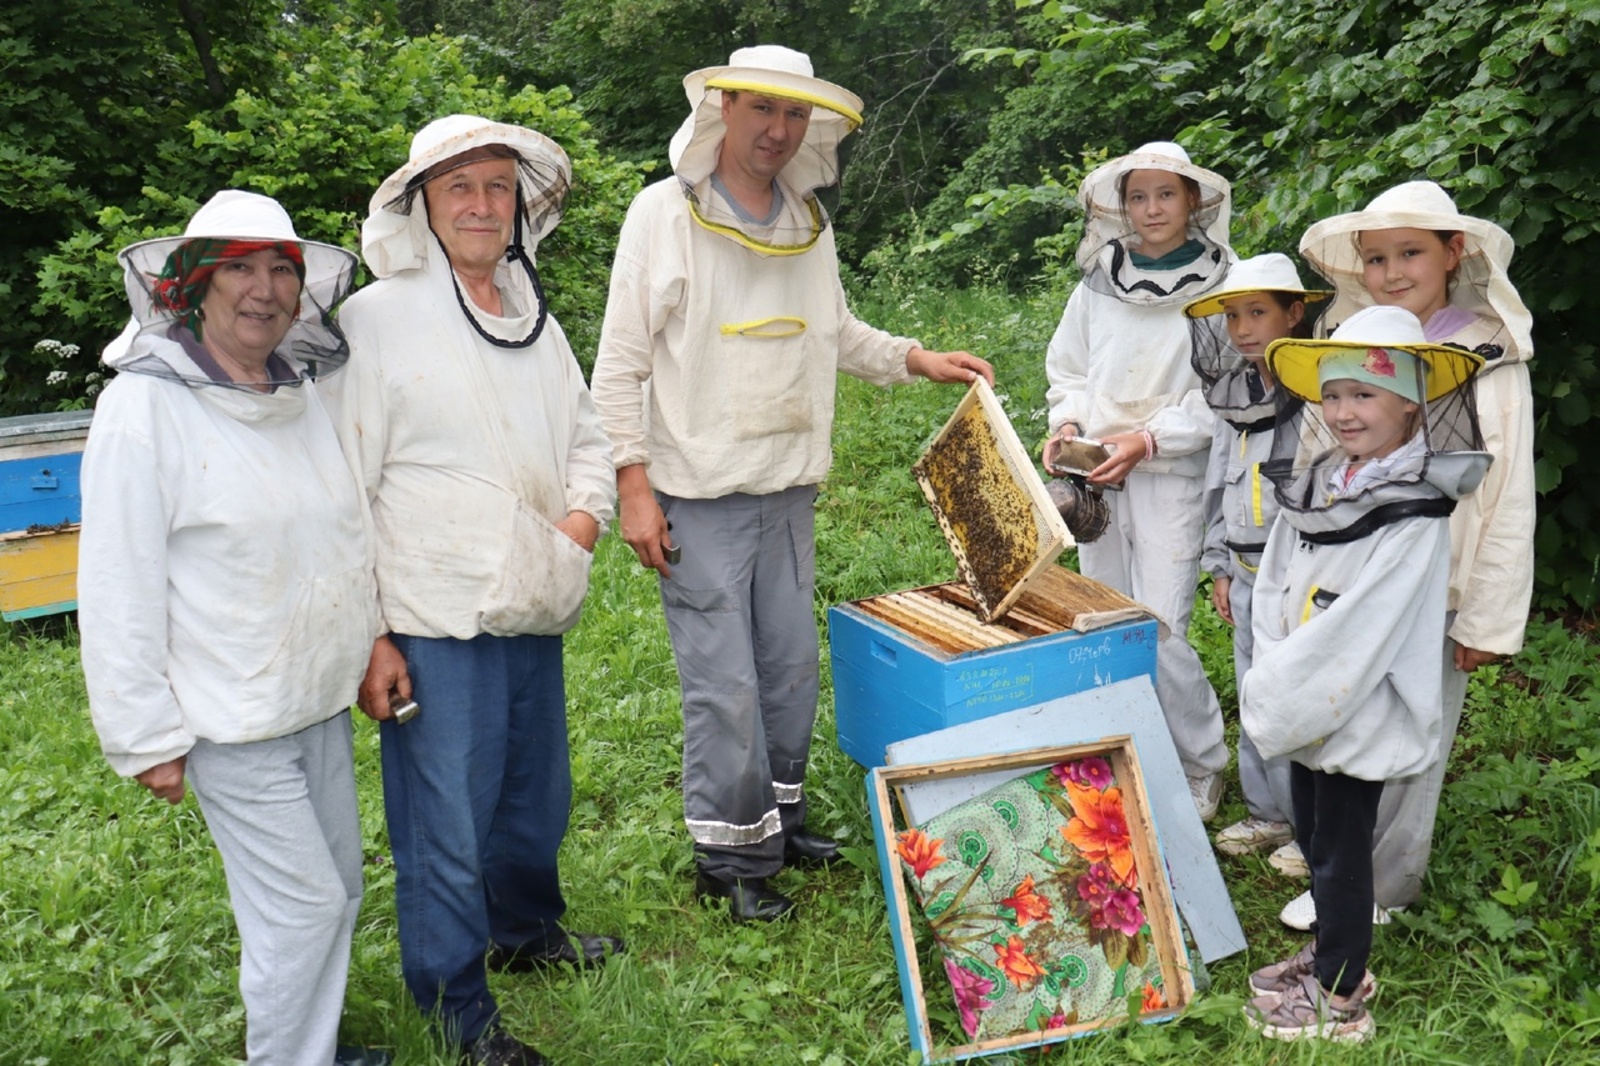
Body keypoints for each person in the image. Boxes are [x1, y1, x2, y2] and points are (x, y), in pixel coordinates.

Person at [589, 46, 993, 923]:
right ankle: (729, 860)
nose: (778, 130)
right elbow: (618, 365)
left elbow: (835, 329)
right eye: (762, 110)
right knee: (723, 684)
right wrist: (632, 486)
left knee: (787, 670)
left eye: (795, 115)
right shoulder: (664, 214)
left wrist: (918, 359)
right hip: (696, 492)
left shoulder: (806, 217)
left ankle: (782, 819)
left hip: (787, 488)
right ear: (723, 109)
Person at [325, 115, 620, 1066]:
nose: (483, 205)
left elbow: (587, 432)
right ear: (422, 206)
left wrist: (580, 521)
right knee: (445, 815)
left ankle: (527, 934)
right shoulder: (376, 318)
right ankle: (457, 1007)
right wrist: (372, 634)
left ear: (522, 204)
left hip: (533, 596)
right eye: (461, 188)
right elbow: (343, 485)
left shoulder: (533, 312)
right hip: (432, 616)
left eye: (499, 187)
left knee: (537, 793)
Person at [78, 190, 387, 1065]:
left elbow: (342, 535)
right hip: (232, 713)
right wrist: (144, 735)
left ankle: (315, 1044)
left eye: (281, 270)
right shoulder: (143, 409)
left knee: (339, 889)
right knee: (303, 907)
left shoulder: (298, 394)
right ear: (193, 287)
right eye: (239, 269)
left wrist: (368, 643)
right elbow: (116, 581)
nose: (264, 289)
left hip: (315, 697)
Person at [1271, 181, 1536, 930]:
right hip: (1353, 576)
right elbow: (1322, 460)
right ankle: (1337, 870)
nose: (1392, 272)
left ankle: (1385, 886)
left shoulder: (1491, 353)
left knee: (1414, 731)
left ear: (1455, 253)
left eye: (1410, 253)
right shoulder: (1356, 347)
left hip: (1439, 583)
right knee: (1345, 716)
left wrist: (1485, 615)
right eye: (1377, 257)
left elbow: (1508, 492)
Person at [1239, 305, 1489, 1043]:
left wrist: (1285, 688)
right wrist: (1275, 663)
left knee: (1345, 852)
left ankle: (1342, 995)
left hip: (1357, 702)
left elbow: (1365, 626)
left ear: (1411, 401)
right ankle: (1327, 956)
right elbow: (1279, 580)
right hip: (1305, 692)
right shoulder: (1327, 479)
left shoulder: (1417, 508)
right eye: (1335, 394)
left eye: (1365, 395)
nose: (1345, 411)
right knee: (1315, 834)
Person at [1043, 141, 1232, 820]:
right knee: (1103, 618)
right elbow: (1068, 368)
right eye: (1138, 196)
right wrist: (1068, 426)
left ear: (1194, 201)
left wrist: (1151, 438)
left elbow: (1224, 394)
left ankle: (1199, 763)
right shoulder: (1099, 280)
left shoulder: (1224, 284)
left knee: (1158, 628)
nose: (1152, 209)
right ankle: (1122, 752)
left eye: (1166, 194)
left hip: (1170, 477)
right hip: (1096, 477)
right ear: (1120, 206)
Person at [1182, 253, 1330, 857]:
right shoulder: (1232, 395)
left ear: (1294, 313)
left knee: (1301, 692)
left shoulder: (1320, 391)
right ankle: (1268, 812)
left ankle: (1310, 824)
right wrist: (1218, 561)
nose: (1243, 328)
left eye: (1258, 313)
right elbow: (1221, 481)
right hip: (1243, 570)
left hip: (1300, 572)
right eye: (1233, 315)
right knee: (1253, 690)